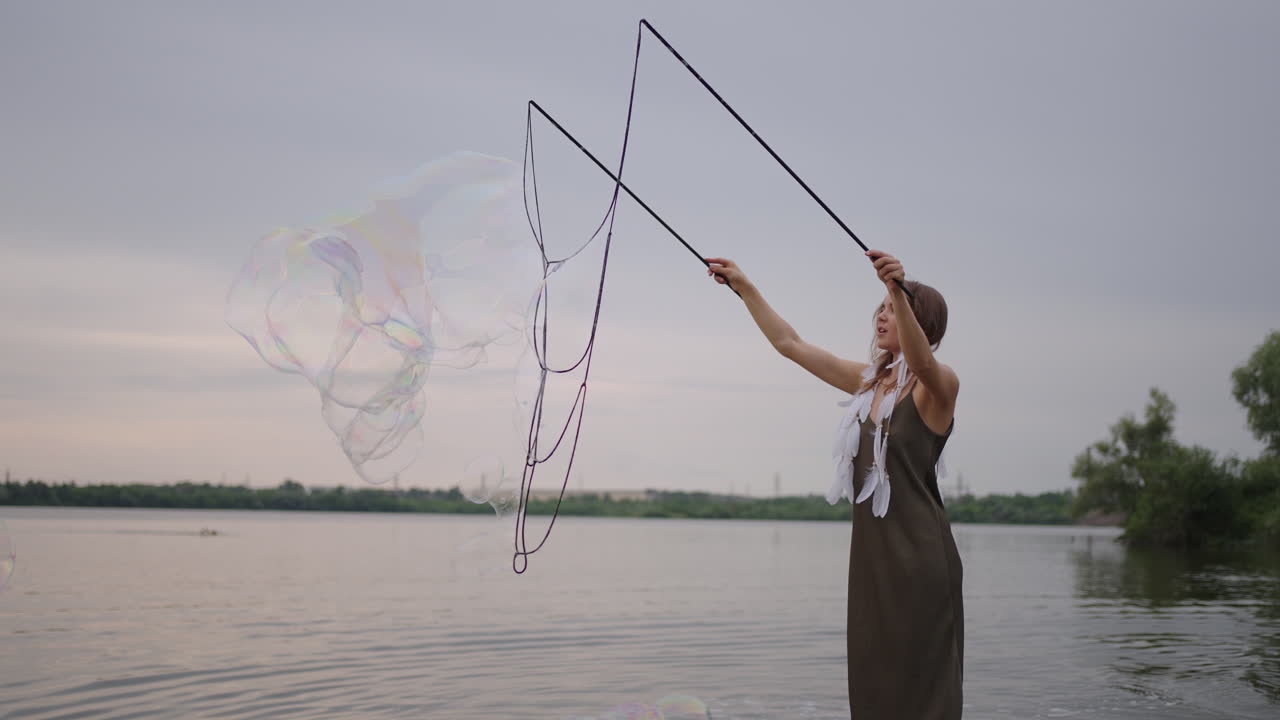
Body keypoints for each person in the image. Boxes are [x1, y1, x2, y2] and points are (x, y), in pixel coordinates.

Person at [706, 251, 963, 719]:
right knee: (873, 669)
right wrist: (745, 287)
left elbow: (923, 363)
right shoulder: (869, 384)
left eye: (892, 308)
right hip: (873, 553)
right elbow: (791, 343)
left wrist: (896, 290)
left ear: (919, 322)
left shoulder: (938, 385)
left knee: (921, 677)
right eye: (881, 309)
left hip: (922, 557)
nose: (882, 316)